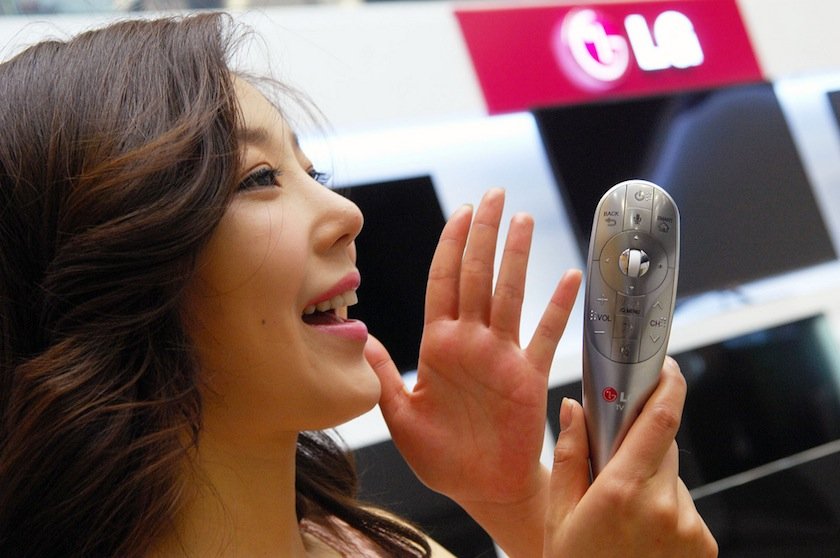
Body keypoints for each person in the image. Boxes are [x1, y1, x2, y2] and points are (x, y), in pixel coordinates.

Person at [0, 12, 717, 558]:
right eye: (259, 178)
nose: (348, 213)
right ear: (111, 266)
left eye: (312, 173)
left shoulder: (366, 543)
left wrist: (515, 502)